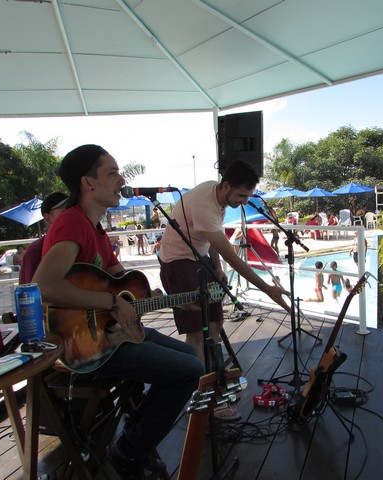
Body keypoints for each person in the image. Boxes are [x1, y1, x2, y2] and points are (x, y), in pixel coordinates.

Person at [32, 144, 203, 477]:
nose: (121, 179)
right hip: (83, 345)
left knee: (189, 357)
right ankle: (129, 450)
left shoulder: (95, 228)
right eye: (112, 173)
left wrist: (154, 296)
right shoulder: (73, 224)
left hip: (111, 334)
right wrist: (111, 303)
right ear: (88, 183)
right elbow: (43, 287)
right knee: (188, 370)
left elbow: (117, 279)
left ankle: (135, 439)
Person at [158, 158, 290, 361]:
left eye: (248, 196)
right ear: (226, 186)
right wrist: (267, 289)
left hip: (200, 258)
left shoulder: (218, 194)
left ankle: (213, 373)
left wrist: (217, 266)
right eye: (241, 195)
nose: (245, 202)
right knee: (195, 332)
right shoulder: (203, 205)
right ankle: (199, 383)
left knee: (215, 323)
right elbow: (234, 258)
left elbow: (214, 236)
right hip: (178, 262)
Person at [19, 192, 68, 284]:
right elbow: (34, 292)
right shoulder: (35, 251)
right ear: (48, 218)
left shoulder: (75, 244)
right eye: (64, 212)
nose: (71, 215)